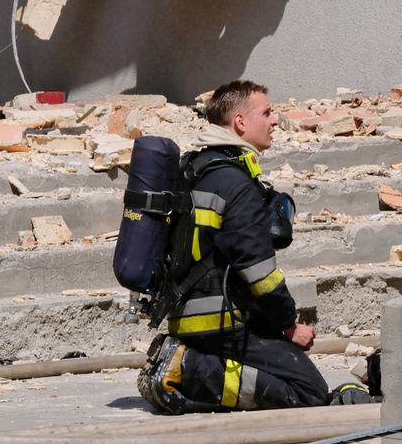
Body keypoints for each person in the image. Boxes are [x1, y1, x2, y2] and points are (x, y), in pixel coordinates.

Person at [137, 80, 330, 413]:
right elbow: (259, 272)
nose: (274, 121)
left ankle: (183, 356)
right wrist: (289, 326)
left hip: (189, 318)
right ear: (240, 123)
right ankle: (187, 369)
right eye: (267, 113)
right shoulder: (234, 182)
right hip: (221, 323)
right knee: (309, 391)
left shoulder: (196, 169)